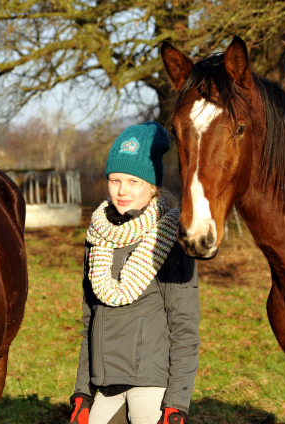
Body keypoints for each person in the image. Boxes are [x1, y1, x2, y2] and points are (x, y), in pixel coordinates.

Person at [70, 121, 200, 424]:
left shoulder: (170, 241)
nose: (122, 191)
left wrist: (176, 404)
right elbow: (89, 320)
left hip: (152, 385)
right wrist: (82, 392)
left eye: (133, 181)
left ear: (152, 185)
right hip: (105, 383)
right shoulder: (97, 238)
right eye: (115, 180)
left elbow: (184, 328)